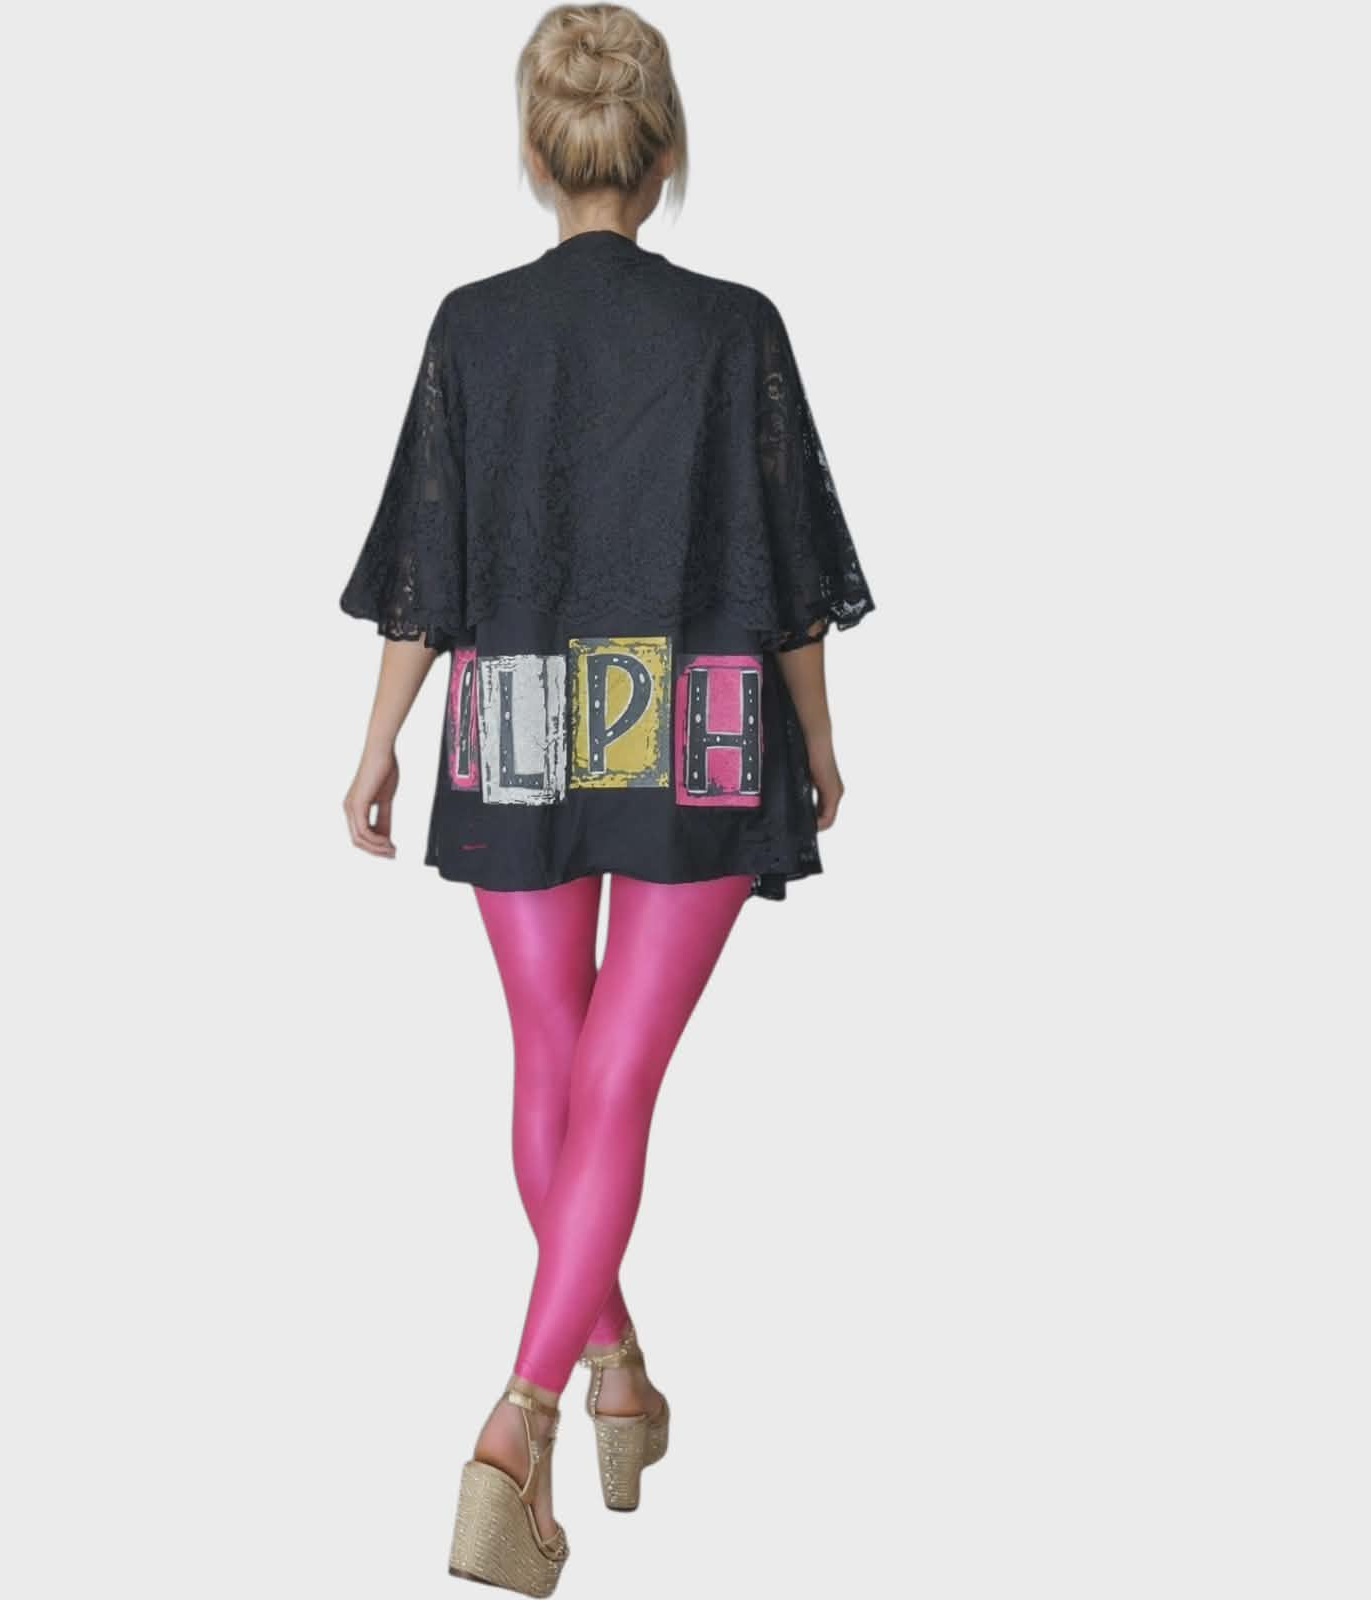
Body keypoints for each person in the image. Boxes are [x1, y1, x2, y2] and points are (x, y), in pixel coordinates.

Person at [339, 5, 875, 1592]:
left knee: (556, 1067)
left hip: (515, 723)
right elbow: (784, 573)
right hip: (701, 729)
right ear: (665, 151)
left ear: (534, 149)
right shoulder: (735, 330)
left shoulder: (472, 327)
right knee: (617, 1079)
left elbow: (429, 567)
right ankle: (526, 1416)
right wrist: (819, 740)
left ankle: (615, 1380)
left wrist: (378, 740)